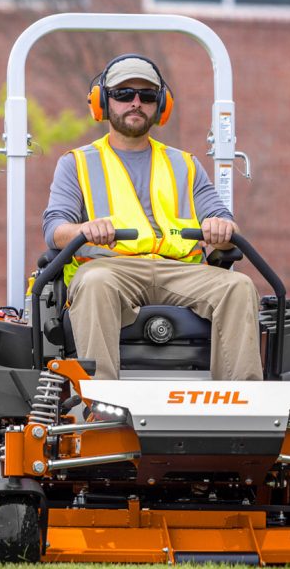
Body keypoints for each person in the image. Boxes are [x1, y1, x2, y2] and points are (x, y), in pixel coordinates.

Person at [42, 54, 261, 381]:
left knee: (239, 286)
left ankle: (242, 402)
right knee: (94, 282)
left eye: (146, 95)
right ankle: (99, 401)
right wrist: (84, 229)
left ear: (160, 105)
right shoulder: (76, 163)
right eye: (123, 94)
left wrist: (222, 229)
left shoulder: (185, 164)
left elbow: (226, 226)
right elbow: (54, 229)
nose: (135, 102)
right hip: (110, 269)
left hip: (182, 270)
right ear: (102, 102)